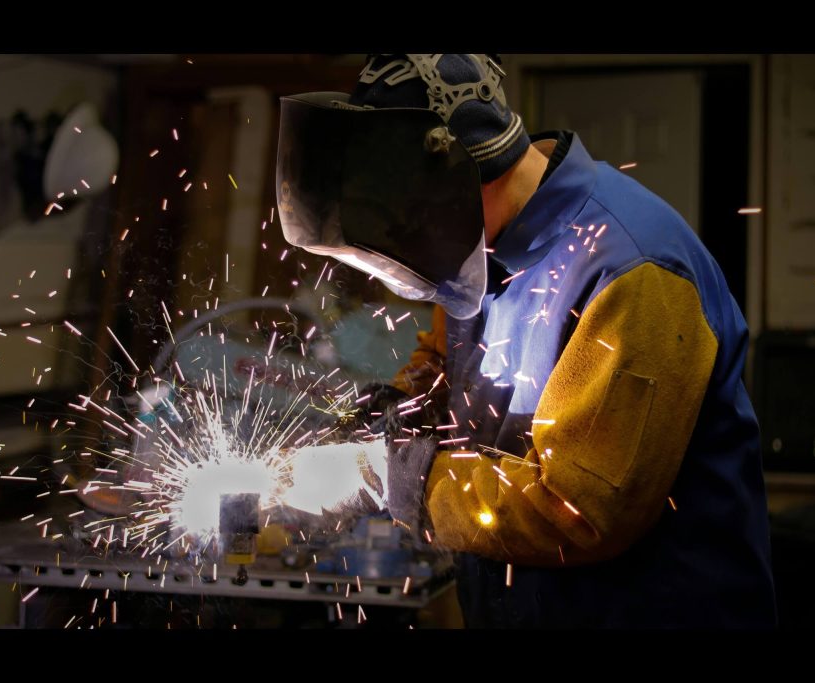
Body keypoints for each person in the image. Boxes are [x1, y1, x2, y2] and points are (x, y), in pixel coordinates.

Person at [276, 54, 777, 628]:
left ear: (463, 177)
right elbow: (448, 360)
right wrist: (396, 411)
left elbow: (577, 511)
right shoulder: (481, 244)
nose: (407, 238)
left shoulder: (635, 274)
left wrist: (385, 475)